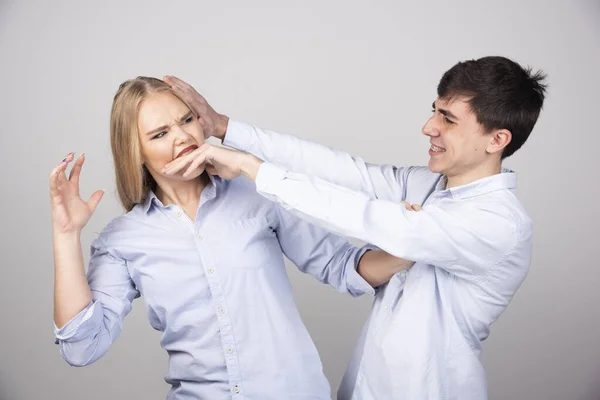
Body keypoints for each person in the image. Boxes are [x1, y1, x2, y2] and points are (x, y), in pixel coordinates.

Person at [162, 55, 548, 400]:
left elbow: (366, 216)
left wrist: (249, 167)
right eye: (435, 111)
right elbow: (338, 170)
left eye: (448, 119)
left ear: (497, 139)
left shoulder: (498, 223)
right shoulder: (426, 184)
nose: (429, 127)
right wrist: (224, 127)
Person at [49, 77, 413, 400]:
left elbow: (342, 266)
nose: (182, 137)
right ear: (135, 151)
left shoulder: (256, 192)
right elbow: (82, 348)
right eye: (160, 134)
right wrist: (67, 236)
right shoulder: (124, 240)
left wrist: (415, 243)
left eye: (187, 120)